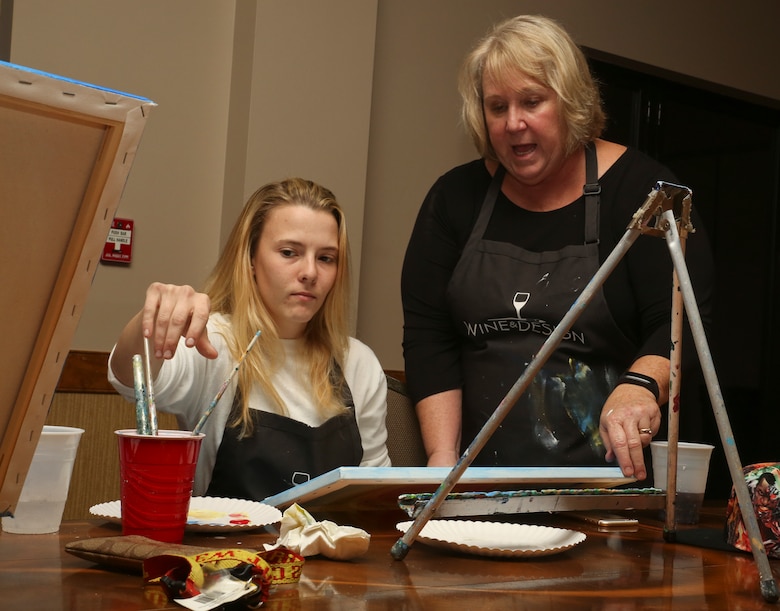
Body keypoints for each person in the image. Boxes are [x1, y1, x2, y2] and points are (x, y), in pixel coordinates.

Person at [401, 15, 713, 480]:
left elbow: (683, 318)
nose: (513, 123)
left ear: (570, 101)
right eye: (497, 106)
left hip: (609, 487)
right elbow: (430, 337)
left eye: (532, 101)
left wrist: (641, 385)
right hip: (476, 484)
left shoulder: (644, 193)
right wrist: (441, 462)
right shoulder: (455, 199)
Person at [109, 178, 391, 500]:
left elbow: (373, 486)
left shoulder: (358, 361)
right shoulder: (212, 342)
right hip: (227, 550)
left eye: (326, 258)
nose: (310, 272)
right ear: (250, 259)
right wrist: (153, 314)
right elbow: (132, 379)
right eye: (289, 252)